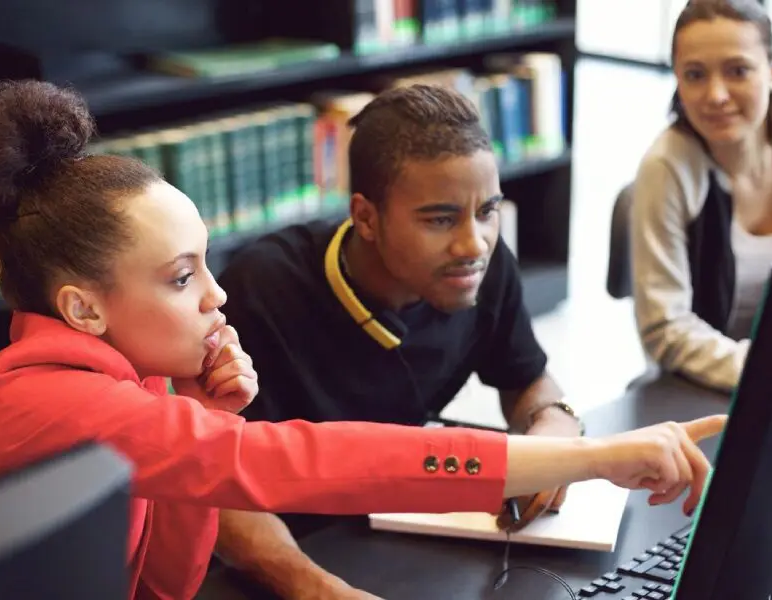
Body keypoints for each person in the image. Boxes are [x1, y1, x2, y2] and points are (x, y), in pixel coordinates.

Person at [0, 79, 724, 600]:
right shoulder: (45, 398)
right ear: (82, 309)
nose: (218, 293)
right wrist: (595, 459)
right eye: (181, 279)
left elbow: (161, 588)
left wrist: (206, 417)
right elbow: (304, 460)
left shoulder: (129, 385)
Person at [207, 83, 686, 599]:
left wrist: (554, 427)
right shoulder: (264, 288)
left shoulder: (482, 266)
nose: (473, 243)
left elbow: (525, 377)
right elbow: (217, 487)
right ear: (365, 217)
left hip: (402, 529)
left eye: (488, 211)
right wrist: (315, 589)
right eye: (440, 219)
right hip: (296, 548)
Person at [630, 0, 772, 392]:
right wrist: (767, 370)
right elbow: (665, 328)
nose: (716, 94)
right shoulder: (666, 169)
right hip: (708, 388)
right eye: (695, 74)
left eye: (737, 71)